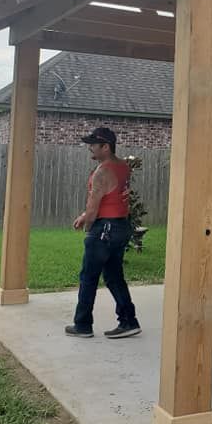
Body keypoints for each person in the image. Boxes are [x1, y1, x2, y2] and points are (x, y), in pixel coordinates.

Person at [65, 127, 141, 339]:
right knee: (115, 277)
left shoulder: (102, 171)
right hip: (121, 226)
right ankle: (129, 321)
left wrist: (89, 225)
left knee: (88, 277)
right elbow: (113, 197)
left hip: (104, 230)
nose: (90, 148)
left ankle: (82, 325)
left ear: (105, 147)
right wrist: (85, 214)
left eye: (93, 144)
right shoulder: (123, 167)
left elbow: (94, 206)